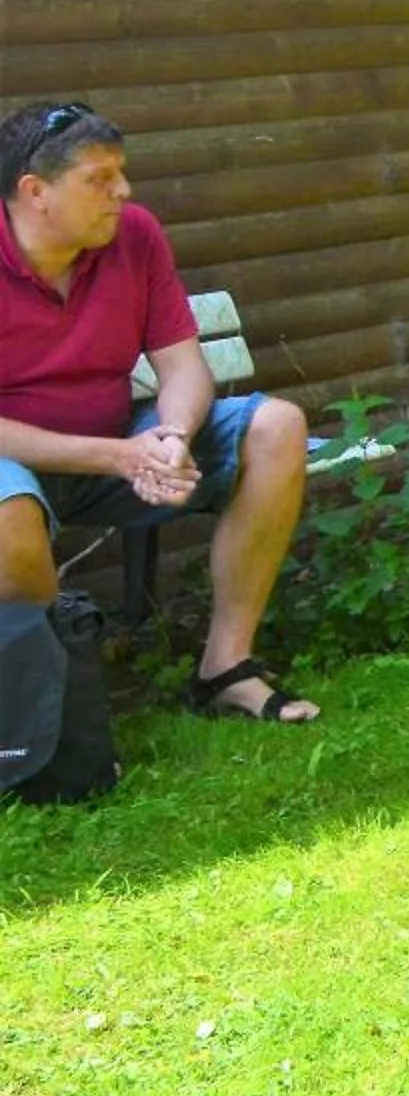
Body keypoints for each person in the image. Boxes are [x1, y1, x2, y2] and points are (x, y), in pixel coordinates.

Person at [0, 103, 321, 723]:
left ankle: (226, 668)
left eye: (120, 172)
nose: (123, 191)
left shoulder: (134, 234)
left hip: (121, 449)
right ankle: (53, 716)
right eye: (99, 179)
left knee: (276, 426)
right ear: (35, 192)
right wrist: (118, 456)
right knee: (8, 511)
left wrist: (173, 436)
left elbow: (182, 366)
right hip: (18, 467)